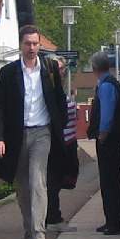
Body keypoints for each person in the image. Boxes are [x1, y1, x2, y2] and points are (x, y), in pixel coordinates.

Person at [0, 25, 67, 239]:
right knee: (22, 185)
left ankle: (39, 232)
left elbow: (59, 99)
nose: (31, 48)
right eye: (27, 44)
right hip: (16, 134)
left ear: (40, 45)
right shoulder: (8, 73)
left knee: (37, 180)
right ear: (21, 45)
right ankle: (28, 226)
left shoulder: (49, 69)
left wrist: (59, 126)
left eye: (35, 44)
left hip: (42, 132)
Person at [88, 51, 120, 235]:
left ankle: (115, 223)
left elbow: (106, 115)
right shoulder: (111, 83)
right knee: (110, 180)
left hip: (109, 140)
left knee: (110, 180)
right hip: (114, 138)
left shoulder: (105, 87)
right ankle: (111, 219)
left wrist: (102, 135)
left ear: (94, 68)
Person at [46, 68, 79, 228]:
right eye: (56, 69)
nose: (60, 72)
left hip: (69, 141)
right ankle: (52, 214)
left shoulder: (63, 90)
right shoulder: (50, 91)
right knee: (53, 179)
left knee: (61, 178)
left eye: (61, 69)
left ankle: (52, 213)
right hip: (56, 142)